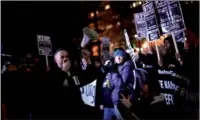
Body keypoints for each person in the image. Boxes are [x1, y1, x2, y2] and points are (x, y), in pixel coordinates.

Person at [33, 48, 97, 119]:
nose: (65, 59)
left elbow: (89, 78)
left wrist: (88, 60)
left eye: (67, 56)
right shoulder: (51, 74)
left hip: (78, 111)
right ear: (55, 60)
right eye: (62, 57)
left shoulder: (74, 70)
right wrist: (64, 71)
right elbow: (55, 91)